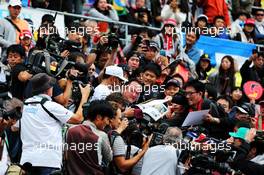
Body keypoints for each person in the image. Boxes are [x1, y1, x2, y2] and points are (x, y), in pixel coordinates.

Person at [12, 73, 90, 175]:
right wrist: (85, 96)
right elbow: (79, 118)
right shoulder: (50, 105)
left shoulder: (25, 106)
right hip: (48, 161)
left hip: (27, 161)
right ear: (49, 89)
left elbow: (14, 128)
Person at [66, 100, 114, 175]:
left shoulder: (70, 130)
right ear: (98, 117)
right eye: (107, 119)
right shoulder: (101, 135)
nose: (108, 123)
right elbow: (109, 158)